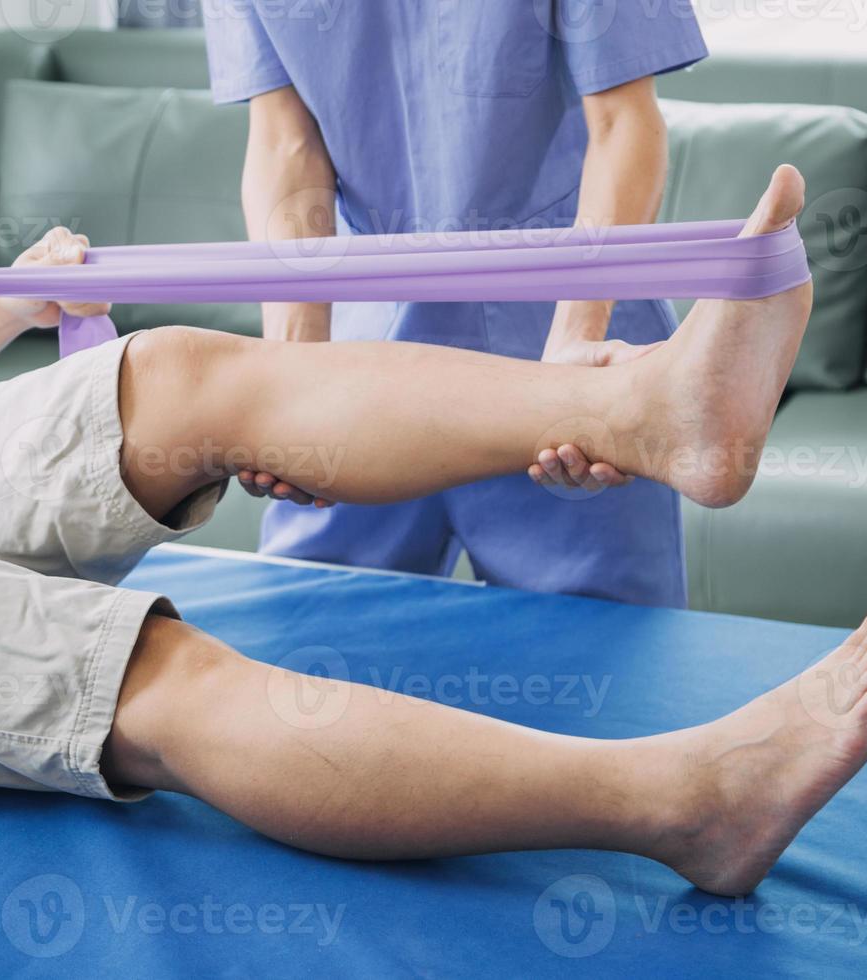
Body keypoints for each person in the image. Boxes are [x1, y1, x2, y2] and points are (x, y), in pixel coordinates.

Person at [0, 169, 867, 897]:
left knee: (184, 374)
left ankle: (650, 409)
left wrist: (15, 301)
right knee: (143, 668)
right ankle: (687, 803)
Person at [203, 1, 709, 604]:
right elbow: (286, 142)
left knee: (602, 661)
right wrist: (290, 376)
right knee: (309, 642)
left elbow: (622, 123)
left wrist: (575, 343)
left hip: (559, 328)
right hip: (362, 361)